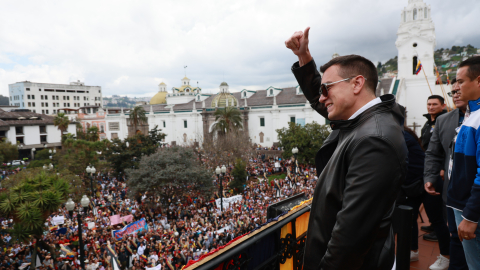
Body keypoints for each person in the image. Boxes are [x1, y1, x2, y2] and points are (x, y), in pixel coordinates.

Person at [286, 27, 407, 269]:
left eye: (326, 87)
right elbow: (327, 105)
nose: (321, 97)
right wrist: (304, 58)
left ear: (357, 84)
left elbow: (349, 240)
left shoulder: (373, 140)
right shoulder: (367, 120)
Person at [424, 77, 468, 270]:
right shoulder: (443, 121)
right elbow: (433, 153)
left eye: (459, 89)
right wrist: (431, 177)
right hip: (451, 194)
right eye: (453, 92)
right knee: (456, 239)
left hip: (475, 192)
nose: (456, 94)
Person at [447, 56, 480, 269]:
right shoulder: (472, 114)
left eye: (460, 81)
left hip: (471, 210)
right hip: (462, 205)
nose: (456, 87)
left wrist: (471, 215)